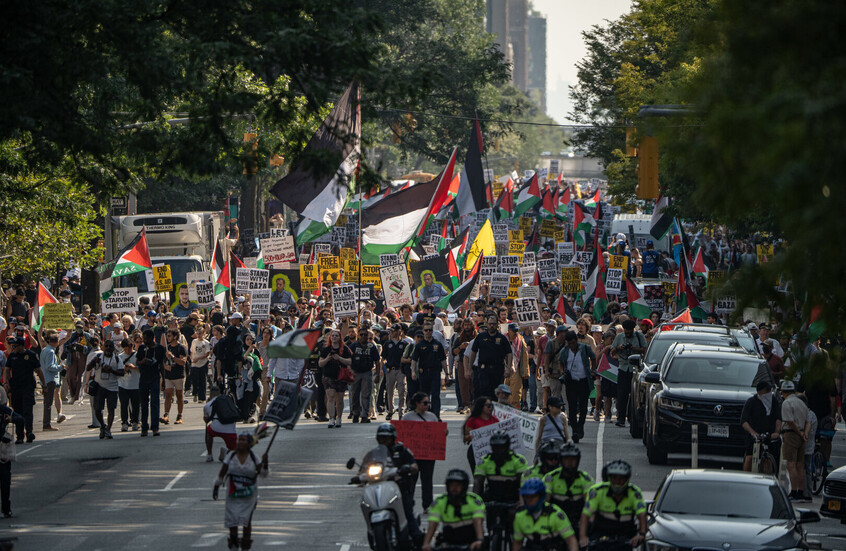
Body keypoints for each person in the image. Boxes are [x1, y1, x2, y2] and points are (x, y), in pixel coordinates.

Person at [213, 432, 269, 551]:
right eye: (240, 440)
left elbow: (263, 474)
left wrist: (265, 463)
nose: (241, 442)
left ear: (249, 443)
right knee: (232, 521)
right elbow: (222, 472)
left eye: (244, 440)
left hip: (249, 496)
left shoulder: (254, 458)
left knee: (246, 521)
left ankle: (245, 546)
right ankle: (233, 546)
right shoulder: (231, 456)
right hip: (233, 495)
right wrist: (216, 487)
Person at [368, 423, 422, 543]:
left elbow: (414, 465)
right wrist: (359, 477)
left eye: (387, 438)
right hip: (381, 488)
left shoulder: (402, 450)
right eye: (382, 438)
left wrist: (408, 468)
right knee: (368, 504)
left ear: (393, 438)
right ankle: (372, 530)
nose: (384, 441)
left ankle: (417, 537)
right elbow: (365, 467)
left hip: (400, 488)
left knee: (407, 511)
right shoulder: (374, 453)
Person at [579, 460, 647, 549]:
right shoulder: (598, 491)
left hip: (625, 539)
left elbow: (642, 515)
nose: (617, 482)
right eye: (614, 478)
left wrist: (641, 535)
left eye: (621, 478)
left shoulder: (634, 492)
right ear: (609, 478)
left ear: (627, 479)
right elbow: (585, 515)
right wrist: (583, 537)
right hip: (600, 539)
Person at [473, 431, 528, 540]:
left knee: (513, 518)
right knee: (490, 519)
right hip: (492, 498)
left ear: (507, 447)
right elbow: (478, 483)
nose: (499, 450)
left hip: (512, 499)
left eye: (501, 447)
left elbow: (523, 484)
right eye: (496, 447)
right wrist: (475, 502)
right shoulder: (484, 461)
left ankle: (514, 539)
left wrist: (521, 502)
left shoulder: (518, 461)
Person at [402, 392, 447, 511]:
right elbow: (402, 434)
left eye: (429, 403)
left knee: (427, 480)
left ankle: (427, 504)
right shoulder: (407, 417)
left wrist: (443, 433)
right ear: (417, 403)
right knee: (410, 480)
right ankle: (408, 503)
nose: (427, 405)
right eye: (425, 403)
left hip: (428, 454)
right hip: (412, 455)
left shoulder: (432, 417)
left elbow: (438, 433)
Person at [422, 469, 485, 551]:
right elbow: (433, 524)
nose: (454, 488)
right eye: (452, 485)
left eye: (458, 485)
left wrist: (479, 540)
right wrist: (426, 544)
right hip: (448, 543)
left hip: (470, 543)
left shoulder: (474, 501)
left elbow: (478, 522)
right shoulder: (440, 501)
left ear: (464, 487)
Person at [512, 478, 579, 551]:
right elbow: (517, 543)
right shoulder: (520, 516)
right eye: (527, 497)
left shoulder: (556, 514)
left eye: (533, 496)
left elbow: (571, 540)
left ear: (541, 497)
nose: (529, 500)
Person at [558, 331, 596, 443]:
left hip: (583, 381)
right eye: (570, 344)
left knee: (584, 406)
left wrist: (593, 371)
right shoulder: (564, 351)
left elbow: (593, 358)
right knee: (572, 407)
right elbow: (561, 362)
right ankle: (575, 430)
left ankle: (581, 426)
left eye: (574, 343)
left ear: (577, 341)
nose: (572, 346)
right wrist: (562, 371)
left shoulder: (585, 348)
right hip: (571, 382)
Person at [3, 337, 42, 443]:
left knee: (28, 411)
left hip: (28, 387)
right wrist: (6, 382)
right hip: (15, 388)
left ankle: (29, 432)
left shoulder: (31, 355)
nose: (13, 347)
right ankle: (19, 436)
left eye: (15, 346)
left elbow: (38, 370)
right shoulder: (12, 356)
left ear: (21, 346)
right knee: (17, 412)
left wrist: (44, 385)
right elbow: (7, 369)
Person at [546, 443, 594, 530]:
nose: (570, 463)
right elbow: (545, 502)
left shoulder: (586, 479)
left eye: (573, 459)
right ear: (561, 460)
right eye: (566, 459)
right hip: (555, 522)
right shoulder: (550, 478)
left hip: (578, 522)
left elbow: (589, 505)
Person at [468, 315, 513, 404]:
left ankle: (494, 413)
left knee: (496, 393)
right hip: (483, 369)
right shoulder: (480, 337)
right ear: (486, 324)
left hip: (498, 370)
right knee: (483, 392)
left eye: (494, 324)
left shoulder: (502, 338)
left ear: (497, 324)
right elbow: (473, 352)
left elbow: (509, 353)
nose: (492, 326)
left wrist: (508, 368)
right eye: (490, 324)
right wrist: (469, 368)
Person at [610, 319, 646, 427]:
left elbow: (645, 349)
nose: (628, 333)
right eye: (626, 331)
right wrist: (619, 348)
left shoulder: (639, 337)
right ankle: (621, 418)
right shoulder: (619, 337)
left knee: (634, 396)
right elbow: (611, 351)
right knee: (621, 395)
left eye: (630, 331)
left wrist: (634, 349)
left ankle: (632, 418)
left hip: (635, 370)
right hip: (623, 368)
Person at [740, 380, 782, 472]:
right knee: (750, 457)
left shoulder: (774, 401)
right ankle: (746, 475)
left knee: (769, 459)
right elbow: (744, 421)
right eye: (766, 391)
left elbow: (778, 418)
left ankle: (768, 477)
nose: (768, 393)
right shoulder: (751, 402)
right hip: (754, 435)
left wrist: (776, 432)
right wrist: (753, 433)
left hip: (769, 435)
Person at [780, 380, 810, 501]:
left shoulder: (787, 403)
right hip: (802, 435)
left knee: (791, 464)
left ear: (783, 392)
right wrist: (805, 434)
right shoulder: (802, 403)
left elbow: (789, 421)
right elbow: (808, 421)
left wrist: (798, 432)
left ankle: (793, 491)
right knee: (799, 465)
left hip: (791, 434)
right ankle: (801, 492)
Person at [88, 339, 125, 439]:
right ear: (103, 347)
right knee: (97, 409)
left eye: (110, 346)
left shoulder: (117, 359)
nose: (108, 348)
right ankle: (103, 426)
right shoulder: (99, 357)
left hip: (112, 388)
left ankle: (108, 429)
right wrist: (93, 362)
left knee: (111, 409)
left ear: (113, 348)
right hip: (99, 386)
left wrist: (112, 371)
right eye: (106, 346)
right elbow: (87, 368)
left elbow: (122, 372)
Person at [411, 324, 449, 418]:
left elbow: (443, 360)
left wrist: (446, 374)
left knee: (436, 395)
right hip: (424, 373)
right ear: (423, 331)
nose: (428, 332)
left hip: (435, 372)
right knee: (424, 396)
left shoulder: (437, 344)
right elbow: (414, 359)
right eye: (426, 330)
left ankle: (436, 416)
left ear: (432, 331)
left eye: (430, 330)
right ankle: (425, 416)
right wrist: (413, 372)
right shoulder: (419, 345)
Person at [318, 329, 352, 428]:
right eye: (332, 336)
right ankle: (331, 418)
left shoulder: (344, 349)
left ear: (340, 337)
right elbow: (320, 363)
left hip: (340, 376)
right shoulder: (326, 349)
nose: (334, 337)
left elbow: (349, 361)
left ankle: (339, 418)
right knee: (330, 397)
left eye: (336, 336)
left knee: (339, 399)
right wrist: (327, 359)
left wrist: (339, 358)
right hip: (328, 376)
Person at [136, 329, 165, 437]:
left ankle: (155, 427)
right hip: (143, 378)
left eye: (145, 338)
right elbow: (137, 361)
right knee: (143, 404)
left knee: (154, 403)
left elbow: (162, 364)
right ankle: (144, 427)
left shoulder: (160, 349)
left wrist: (164, 379)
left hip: (155, 378)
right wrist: (142, 361)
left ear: (151, 338)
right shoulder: (142, 348)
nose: (144, 340)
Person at [0, 389, 24, 518]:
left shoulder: (5, 411)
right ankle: (6, 508)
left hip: (2, 450)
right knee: (5, 480)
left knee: (5, 480)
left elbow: (19, 419)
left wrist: (10, 418)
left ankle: (6, 507)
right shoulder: (4, 410)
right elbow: (20, 419)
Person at [349, 328, 381, 424]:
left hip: (367, 372)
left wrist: (378, 375)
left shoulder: (372, 346)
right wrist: (350, 372)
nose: (363, 336)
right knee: (355, 394)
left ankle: (364, 415)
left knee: (366, 394)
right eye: (361, 334)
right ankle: (355, 413)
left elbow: (377, 361)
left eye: (365, 335)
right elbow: (348, 360)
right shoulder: (353, 346)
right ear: (358, 335)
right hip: (356, 372)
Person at [39, 332, 66, 430]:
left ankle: (46, 423)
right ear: (57, 342)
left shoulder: (45, 350)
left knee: (47, 402)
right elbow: (49, 366)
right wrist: (60, 367)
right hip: (50, 379)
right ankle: (46, 424)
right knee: (48, 403)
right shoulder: (50, 352)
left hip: (45, 379)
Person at [463, 396, 499, 470]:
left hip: (492, 451)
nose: (490, 408)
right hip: (476, 451)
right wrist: (472, 436)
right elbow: (466, 438)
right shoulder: (472, 421)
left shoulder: (495, 420)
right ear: (481, 406)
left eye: (491, 406)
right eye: (488, 406)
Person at [382, 324, 408, 420]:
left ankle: (401, 410)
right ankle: (390, 410)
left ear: (399, 331)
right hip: (390, 370)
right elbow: (383, 358)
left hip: (401, 370)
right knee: (389, 391)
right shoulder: (387, 344)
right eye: (391, 331)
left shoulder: (404, 344)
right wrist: (381, 369)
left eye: (394, 331)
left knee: (402, 390)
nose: (392, 333)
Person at [204, 394, 238, 463]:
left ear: (210, 395)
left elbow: (206, 420)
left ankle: (209, 454)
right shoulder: (229, 401)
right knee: (235, 453)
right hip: (230, 430)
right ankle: (227, 451)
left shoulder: (208, 405)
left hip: (215, 428)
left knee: (208, 431)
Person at [118, 336, 141, 432]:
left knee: (136, 405)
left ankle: (135, 422)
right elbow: (116, 370)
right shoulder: (120, 357)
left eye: (129, 349)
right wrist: (123, 368)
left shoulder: (137, 355)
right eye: (125, 349)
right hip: (123, 384)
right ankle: (124, 422)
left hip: (136, 384)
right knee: (124, 405)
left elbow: (142, 369)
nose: (127, 351)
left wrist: (134, 367)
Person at [542, 326, 568, 407]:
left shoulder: (568, 343)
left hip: (565, 374)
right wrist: (546, 371)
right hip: (554, 374)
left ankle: (569, 417)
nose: (566, 333)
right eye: (564, 331)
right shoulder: (551, 343)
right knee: (556, 396)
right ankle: (554, 415)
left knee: (566, 396)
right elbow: (546, 358)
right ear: (559, 333)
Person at [190, 324, 211, 404]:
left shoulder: (206, 343)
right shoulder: (194, 341)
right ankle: (195, 393)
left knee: (202, 380)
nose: (199, 335)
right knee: (195, 379)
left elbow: (207, 353)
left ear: (204, 334)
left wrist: (198, 358)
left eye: (200, 333)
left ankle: (202, 397)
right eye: (197, 333)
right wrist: (192, 360)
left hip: (203, 363)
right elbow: (192, 351)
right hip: (194, 363)